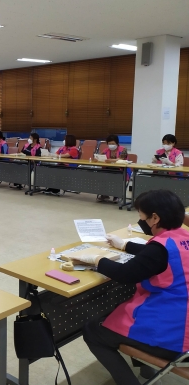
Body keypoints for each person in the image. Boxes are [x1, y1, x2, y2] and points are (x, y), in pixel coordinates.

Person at [82, 189, 189, 385]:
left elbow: (126, 274)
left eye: (142, 216)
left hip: (175, 337)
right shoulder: (183, 236)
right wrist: (125, 245)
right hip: (183, 325)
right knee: (126, 308)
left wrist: (97, 260)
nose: (141, 221)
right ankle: (147, 372)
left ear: (154, 218)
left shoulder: (159, 249)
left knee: (93, 331)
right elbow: (155, 255)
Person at [97, 135, 128, 203]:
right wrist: (97, 158)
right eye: (109, 143)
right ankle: (104, 194)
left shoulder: (123, 149)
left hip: (120, 169)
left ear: (117, 143)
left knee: (115, 176)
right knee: (101, 175)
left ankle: (116, 196)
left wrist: (110, 160)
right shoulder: (106, 150)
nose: (111, 145)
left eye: (113, 143)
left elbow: (121, 159)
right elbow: (100, 156)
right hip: (107, 168)